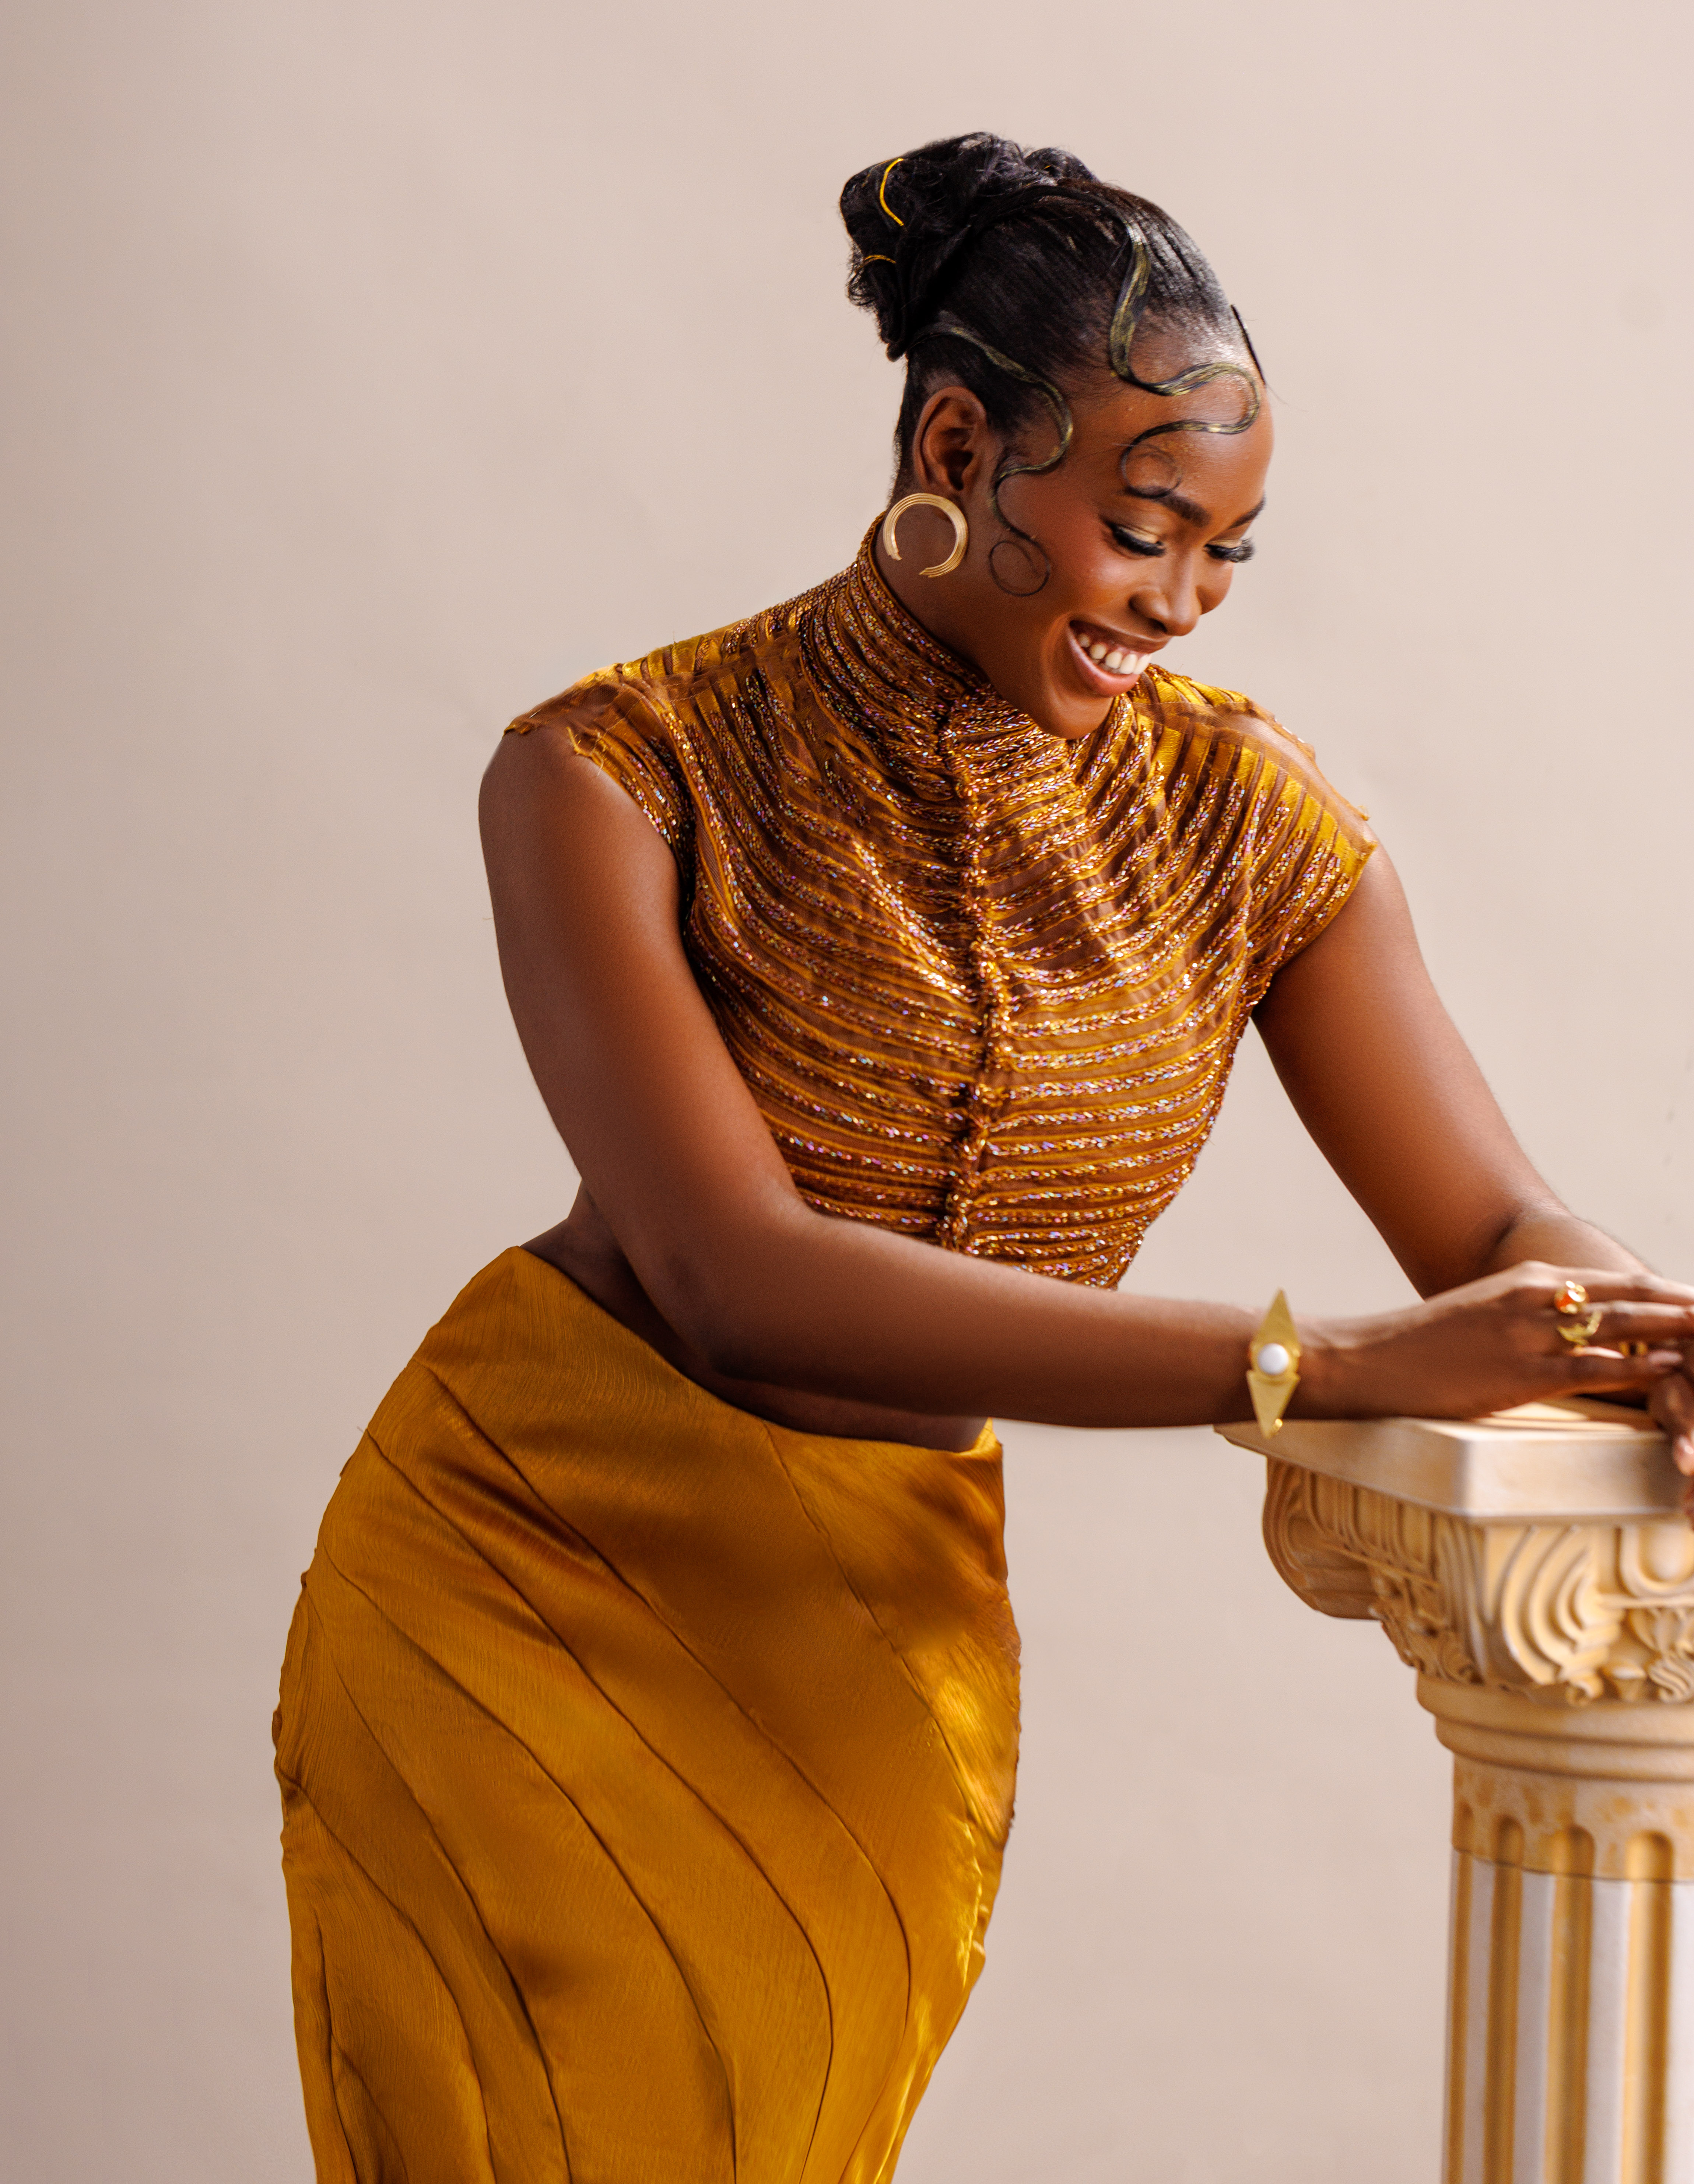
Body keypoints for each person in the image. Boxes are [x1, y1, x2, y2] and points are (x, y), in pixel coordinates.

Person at [273, 132, 1694, 2184]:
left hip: (875, 1635)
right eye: (1140, 526)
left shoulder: (1243, 829)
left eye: (1226, 550)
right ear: (955, 440)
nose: (1179, 602)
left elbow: (1484, 1219)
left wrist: (1636, 1329)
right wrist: (1330, 1365)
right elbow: (728, 1269)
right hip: (525, 1570)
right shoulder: (615, 770)